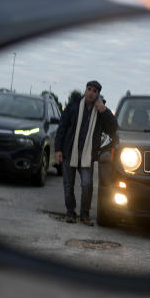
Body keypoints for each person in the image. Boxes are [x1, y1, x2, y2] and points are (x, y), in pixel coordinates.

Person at [55, 80, 117, 225]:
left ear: (98, 94)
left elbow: (113, 128)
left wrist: (105, 111)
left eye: (94, 91)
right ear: (85, 90)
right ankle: (70, 213)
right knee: (68, 185)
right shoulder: (74, 106)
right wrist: (58, 149)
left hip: (87, 154)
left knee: (87, 184)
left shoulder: (100, 111)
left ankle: (84, 215)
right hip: (70, 151)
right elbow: (62, 128)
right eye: (89, 89)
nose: (91, 93)